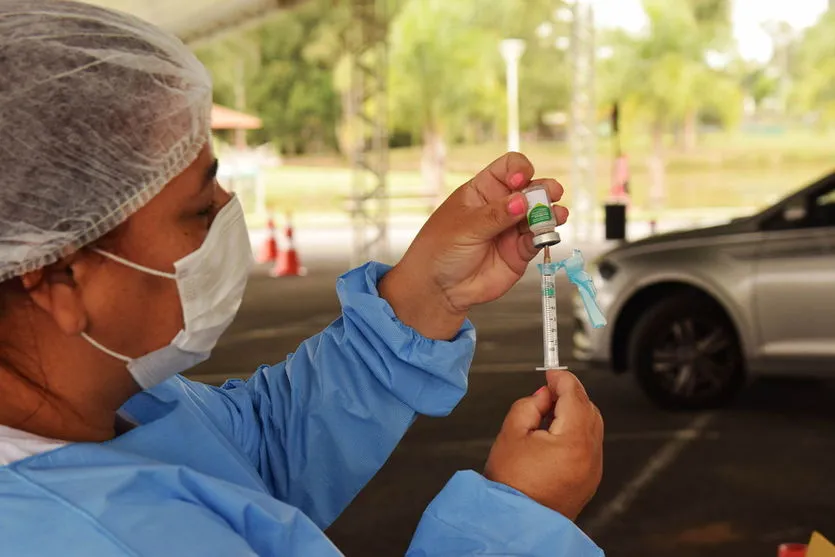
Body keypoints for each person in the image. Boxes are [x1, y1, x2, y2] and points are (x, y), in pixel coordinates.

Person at [0, 1, 604, 555]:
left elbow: (255, 452)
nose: (229, 209)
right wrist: (519, 523)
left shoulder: (113, 402)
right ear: (59, 276)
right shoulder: (74, 537)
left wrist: (427, 293)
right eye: (198, 208)